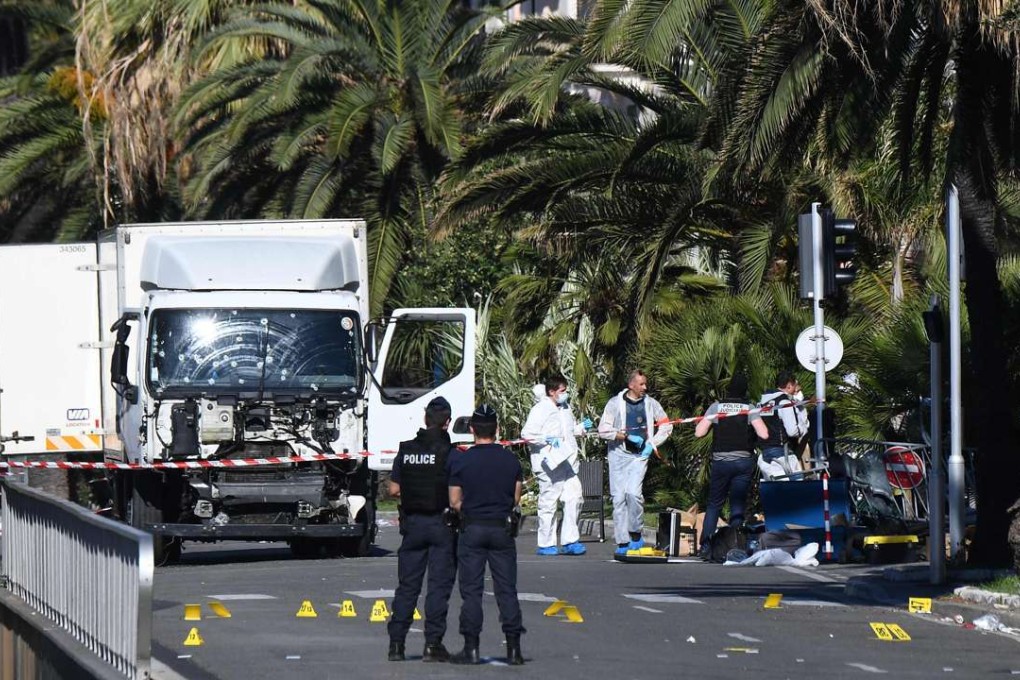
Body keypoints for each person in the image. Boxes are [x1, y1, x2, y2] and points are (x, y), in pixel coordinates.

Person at [448, 404, 525, 665]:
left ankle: (471, 646)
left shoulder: (462, 460)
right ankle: (514, 647)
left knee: (471, 590)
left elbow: (455, 500)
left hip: (472, 527)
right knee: (506, 589)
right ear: (497, 429)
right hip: (501, 528)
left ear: (471, 430)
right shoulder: (510, 459)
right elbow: (516, 497)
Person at [387, 396, 457, 663]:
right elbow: (455, 493)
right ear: (447, 423)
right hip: (441, 524)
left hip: (413, 524)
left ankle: (397, 644)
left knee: (407, 587)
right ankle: (433, 644)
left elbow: (393, 489)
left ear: (425, 419)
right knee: (438, 587)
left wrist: (415, 494)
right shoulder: (450, 453)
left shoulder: (406, 449)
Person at [597, 370, 674, 555]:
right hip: (619, 456)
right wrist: (625, 436)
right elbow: (603, 430)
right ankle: (622, 542)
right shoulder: (615, 404)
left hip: (639, 457)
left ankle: (636, 532)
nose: (645, 388)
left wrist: (652, 443)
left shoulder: (651, 403)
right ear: (631, 385)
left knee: (633, 494)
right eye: (641, 384)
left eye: (645, 384)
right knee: (618, 498)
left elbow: (666, 424)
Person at [694, 373, 769, 559]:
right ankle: (737, 544)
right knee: (737, 505)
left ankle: (706, 546)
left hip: (721, 462)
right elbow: (764, 434)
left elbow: (699, 432)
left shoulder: (717, 407)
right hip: (743, 462)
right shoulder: (749, 408)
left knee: (714, 505)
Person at [520, 376, 593, 556]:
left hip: (567, 461)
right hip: (548, 464)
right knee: (549, 503)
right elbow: (527, 434)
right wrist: (546, 440)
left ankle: (570, 540)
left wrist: (581, 428)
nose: (565, 394)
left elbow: (568, 431)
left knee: (575, 498)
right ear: (551, 392)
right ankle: (546, 543)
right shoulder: (540, 409)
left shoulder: (566, 408)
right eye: (562, 391)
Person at [757, 371, 809, 480]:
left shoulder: (762, 403)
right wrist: (804, 428)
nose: (796, 389)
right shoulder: (784, 402)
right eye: (795, 385)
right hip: (782, 453)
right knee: (796, 489)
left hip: (765, 453)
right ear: (789, 385)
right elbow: (792, 431)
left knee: (775, 490)